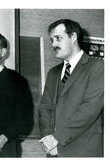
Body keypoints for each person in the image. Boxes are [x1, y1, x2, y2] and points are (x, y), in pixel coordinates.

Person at [38, 19, 103, 157]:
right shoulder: (53, 72)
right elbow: (45, 107)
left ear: (73, 37)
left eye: (58, 38)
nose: (53, 44)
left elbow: (90, 109)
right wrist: (48, 138)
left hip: (84, 151)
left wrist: (57, 138)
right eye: (51, 40)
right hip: (53, 151)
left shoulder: (99, 67)